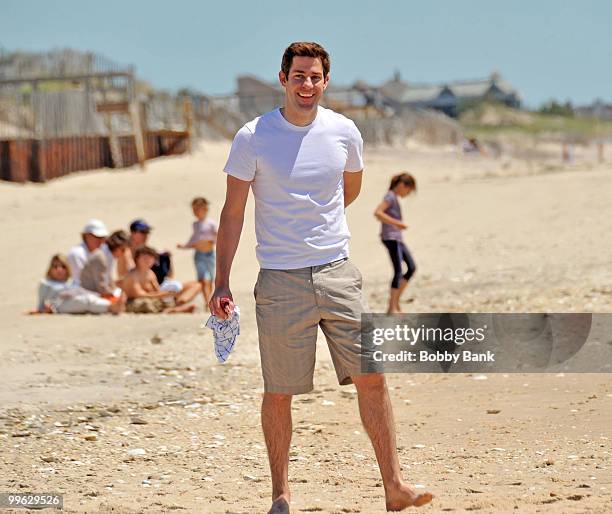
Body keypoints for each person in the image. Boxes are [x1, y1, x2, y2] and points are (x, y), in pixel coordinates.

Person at [209, 42, 433, 513]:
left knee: (372, 377)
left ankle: (395, 488)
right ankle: (280, 495)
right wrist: (221, 281)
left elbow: (347, 190)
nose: (306, 84)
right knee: (279, 391)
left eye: (315, 77)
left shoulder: (344, 132)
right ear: (283, 78)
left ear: (326, 81)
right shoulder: (253, 137)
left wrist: (317, 228)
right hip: (279, 279)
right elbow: (232, 214)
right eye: (299, 76)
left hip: (337, 273)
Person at [374, 173, 417, 314]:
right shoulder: (390, 196)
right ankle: (392, 307)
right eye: (408, 190)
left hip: (397, 238)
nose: (408, 193)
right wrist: (397, 223)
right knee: (398, 271)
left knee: (411, 267)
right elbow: (378, 212)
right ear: (402, 185)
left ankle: (395, 303)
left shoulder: (394, 197)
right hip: (390, 238)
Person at [32, 254, 124, 315]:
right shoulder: (45, 283)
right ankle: (111, 307)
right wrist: (45, 309)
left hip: (74, 298)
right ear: (50, 269)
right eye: (55, 266)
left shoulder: (70, 282)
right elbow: (41, 305)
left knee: (89, 296)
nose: (59, 269)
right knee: (85, 300)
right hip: (60, 306)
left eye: (63, 266)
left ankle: (113, 304)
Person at [121, 246, 197, 314]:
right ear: (137, 259)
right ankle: (172, 310)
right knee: (146, 304)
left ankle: (172, 309)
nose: (147, 260)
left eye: (150, 258)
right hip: (134, 300)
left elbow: (157, 290)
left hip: (151, 299)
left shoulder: (150, 273)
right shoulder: (132, 276)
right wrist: (164, 294)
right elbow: (140, 294)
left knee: (166, 300)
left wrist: (166, 294)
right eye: (144, 258)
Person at [177, 197, 218, 308]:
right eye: (194, 209)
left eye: (198, 209)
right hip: (199, 254)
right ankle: (207, 302)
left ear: (205, 209)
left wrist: (212, 240)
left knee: (211, 279)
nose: (195, 212)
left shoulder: (211, 223)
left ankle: (211, 300)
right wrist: (185, 246)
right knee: (204, 280)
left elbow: (217, 235)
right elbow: (194, 238)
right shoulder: (195, 224)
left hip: (210, 254)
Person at [80, 230, 129, 299]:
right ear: (118, 247)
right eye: (123, 250)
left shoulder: (110, 256)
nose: (123, 254)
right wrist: (113, 294)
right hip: (90, 294)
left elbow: (109, 280)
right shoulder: (101, 257)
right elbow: (101, 285)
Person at [66, 219, 112, 285]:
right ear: (86, 236)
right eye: (96, 237)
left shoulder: (105, 250)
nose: (100, 240)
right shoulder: (76, 254)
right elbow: (81, 280)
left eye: (102, 237)